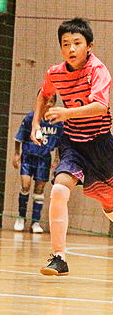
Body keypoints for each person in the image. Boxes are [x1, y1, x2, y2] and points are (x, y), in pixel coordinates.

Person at [31, 18, 113, 278]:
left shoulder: (98, 70)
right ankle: (59, 258)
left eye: (77, 43)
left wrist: (66, 112)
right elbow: (43, 93)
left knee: (111, 207)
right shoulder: (55, 72)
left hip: (99, 146)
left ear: (89, 46)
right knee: (59, 189)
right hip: (72, 143)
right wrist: (35, 124)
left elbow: (100, 107)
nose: (70, 49)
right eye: (65, 44)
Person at [13, 94, 63, 233]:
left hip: (44, 159)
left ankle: (35, 222)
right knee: (25, 185)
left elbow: (59, 143)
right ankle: (21, 217)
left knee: (39, 190)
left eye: (51, 101)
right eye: (45, 101)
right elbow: (19, 137)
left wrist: (57, 160)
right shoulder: (31, 118)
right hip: (28, 157)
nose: (48, 104)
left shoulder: (57, 122)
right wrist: (17, 154)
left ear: (54, 104)